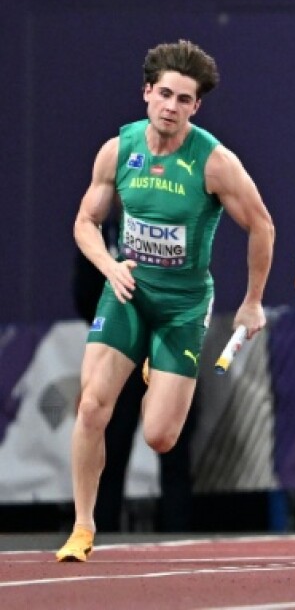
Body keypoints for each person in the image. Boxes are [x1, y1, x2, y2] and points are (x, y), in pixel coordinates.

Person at [58, 40, 275, 562]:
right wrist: (110, 266)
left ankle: (158, 365)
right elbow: (86, 222)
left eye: (184, 99)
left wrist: (252, 302)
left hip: (182, 305)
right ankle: (82, 527)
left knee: (159, 437)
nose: (172, 107)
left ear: (195, 107)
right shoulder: (118, 150)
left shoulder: (215, 163)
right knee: (91, 406)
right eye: (165, 95)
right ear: (147, 94)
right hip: (128, 290)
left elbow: (262, 225)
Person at [72, 212, 195, 535]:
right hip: (121, 347)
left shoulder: (176, 216)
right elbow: (84, 293)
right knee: (109, 441)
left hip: (168, 338)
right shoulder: (104, 232)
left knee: (170, 442)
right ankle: (100, 530)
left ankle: (178, 535)